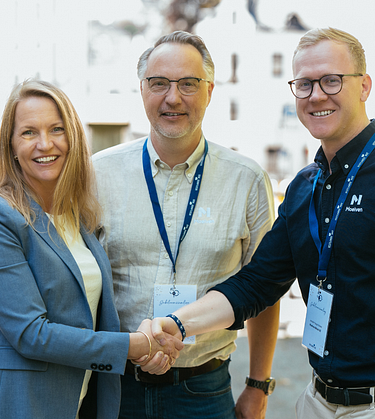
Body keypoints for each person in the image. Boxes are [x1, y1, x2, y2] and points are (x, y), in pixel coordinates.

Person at [151, 27, 375, 419]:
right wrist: (176, 323)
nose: (317, 95)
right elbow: (257, 283)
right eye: (304, 84)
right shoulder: (305, 186)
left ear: (364, 86)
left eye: (331, 80)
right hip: (317, 401)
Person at [0, 79, 182, 419]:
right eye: (29, 133)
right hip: (16, 405)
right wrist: (131, 346)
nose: (45, 144)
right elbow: (31, 333)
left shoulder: (77, 218)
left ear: (72, 137)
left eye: (56, 129)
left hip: (77, 404)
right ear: (11, 145)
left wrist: (149, 334)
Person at [92, 31, 280, 419]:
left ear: (210, 90)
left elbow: (264, 290)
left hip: (204, 390)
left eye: (188, 84)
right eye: (158, 83)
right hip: (114, 387)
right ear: (142, 90)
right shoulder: (97, 175)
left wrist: (258, 386)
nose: (172, 98)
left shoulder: (247, 180)